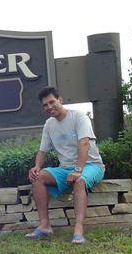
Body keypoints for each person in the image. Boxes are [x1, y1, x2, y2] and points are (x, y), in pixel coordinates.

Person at [27, 87, 105, 244]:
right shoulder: (49, 124)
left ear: (60, 100)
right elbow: (43, 150)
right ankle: (44, 226)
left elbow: (84, 144)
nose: (49, 107)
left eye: (52, 102)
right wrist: (36, 167)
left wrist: (77, 170)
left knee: (80, 180)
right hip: (65, 169)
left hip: (91, 165)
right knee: (37, 177)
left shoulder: (79, 117)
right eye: (45, 105)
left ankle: (78, 230)